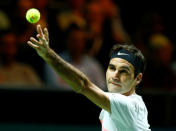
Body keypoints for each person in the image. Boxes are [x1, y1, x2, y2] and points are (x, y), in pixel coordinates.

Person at [27, 24, 151, 131]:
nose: (115, 75)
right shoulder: (110, 107)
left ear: (138, 78)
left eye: (124, 71)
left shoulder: (128, 105)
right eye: (112, 68)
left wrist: (48, 55)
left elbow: (83, 84)